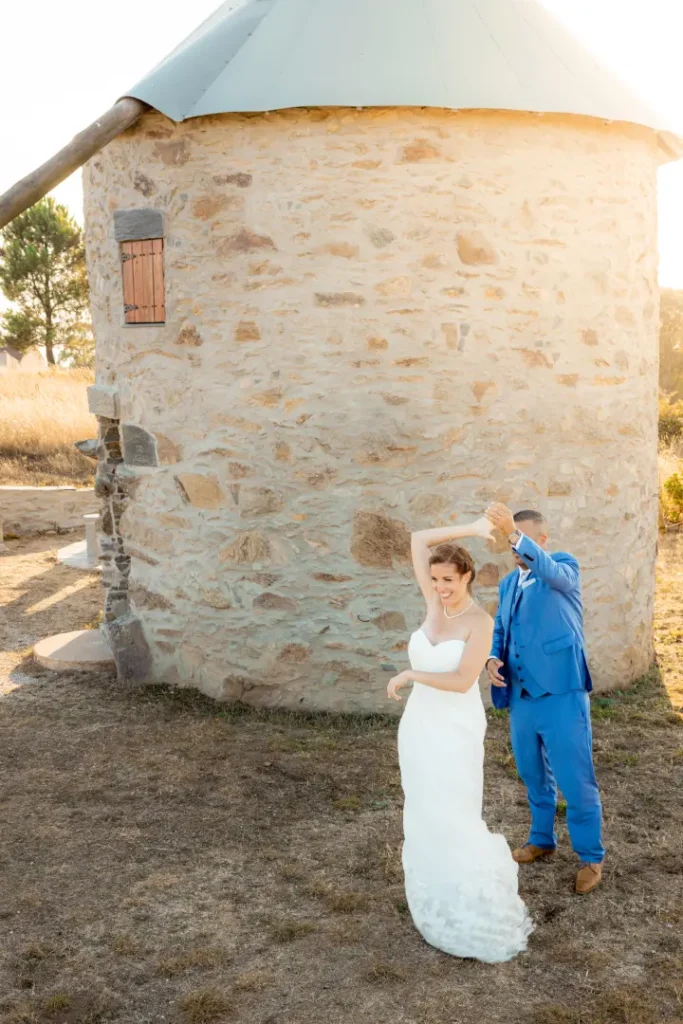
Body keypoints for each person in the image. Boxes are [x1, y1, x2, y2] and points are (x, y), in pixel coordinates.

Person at [387, 516, 533, 963]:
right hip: (418, 727)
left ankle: (468, 903)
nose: (440, 586)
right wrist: (471, 528)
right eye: (434, 579)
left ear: (466, 576)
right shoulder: (434, 603)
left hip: (454, 727)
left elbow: (462, 678)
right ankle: (434, 896)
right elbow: (418, 538)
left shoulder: (479, 621)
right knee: (424, 808)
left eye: (448, 579)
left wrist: (412, 672)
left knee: (452, 808)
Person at [485, 504, 605, 896]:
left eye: (520, 537)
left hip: (561, 693)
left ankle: (591, 857)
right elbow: (501, 627)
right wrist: (492, 657)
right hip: (521, 696)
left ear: (542, 540)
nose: (513, 545)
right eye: (510, 539)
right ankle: (542, 839)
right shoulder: (507, 584)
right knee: (532, 772)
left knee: (575, 778)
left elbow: (552, 573)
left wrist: (511, 530)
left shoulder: (563, 567)